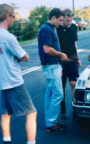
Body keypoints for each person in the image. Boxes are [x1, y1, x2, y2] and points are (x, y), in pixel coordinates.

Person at [0, 4, 37, 144]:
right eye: (13, 16)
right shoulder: (8, 37)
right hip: (13, 81)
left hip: (1, 82)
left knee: (5, 114)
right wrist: (18, 57)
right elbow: (25, 57)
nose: (14, 19)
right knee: (31, 112)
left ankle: (6, 141)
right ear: (7, 16)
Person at [38, 8, 68, 133]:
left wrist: (59, 65)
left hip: (53, 66)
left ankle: (50, 122)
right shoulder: (46, 29)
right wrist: (61, 55)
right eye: (60, 20)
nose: (61, 23)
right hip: (51, 66)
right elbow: (46, 49)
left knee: (50, 95)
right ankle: (51, 123)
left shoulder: (49, 28)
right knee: (58, 95)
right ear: (54, 17)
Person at [57, 9, 81, 118]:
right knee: (61, 87)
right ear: (63, 18)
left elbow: (74, 43)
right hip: (61, 62)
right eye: (67, 21)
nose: (69, 23)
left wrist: (78, 58)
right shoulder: (57, 28)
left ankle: (75, 108)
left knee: (74, 84)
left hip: (73, 60)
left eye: (70, 21)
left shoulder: (74, 27)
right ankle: (63, 111)